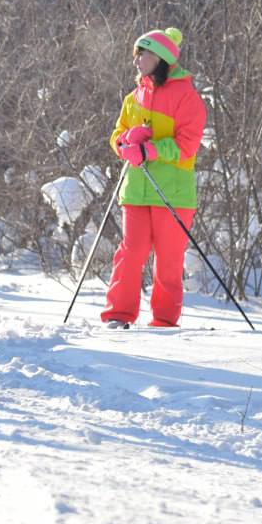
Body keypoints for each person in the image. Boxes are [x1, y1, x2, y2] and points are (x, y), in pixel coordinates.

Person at [101, 27, 208, 329]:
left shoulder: (186, 97)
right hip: (136, 189)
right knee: (130, 252)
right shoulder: (133, 97)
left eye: (143, 54)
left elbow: (187, 144)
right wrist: (125, 142)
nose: (137, 61)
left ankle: (163, 320)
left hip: (173, 192)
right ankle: (118, 315)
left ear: (160, 58)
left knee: (169, 260)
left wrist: (150, 149)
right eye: (137, 55)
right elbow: (116, 136)